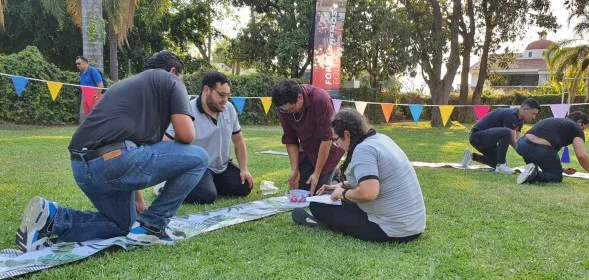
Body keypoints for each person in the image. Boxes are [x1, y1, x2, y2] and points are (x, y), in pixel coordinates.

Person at [15, 51, 210, 252]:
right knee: (199, 157)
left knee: (123, 226)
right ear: (173, 70)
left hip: (82, 167)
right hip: (113, 161)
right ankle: (152, 225)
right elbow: (186, 135)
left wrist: (138, 200)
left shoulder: (126, 87)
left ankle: (52, 217)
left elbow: (131, 144)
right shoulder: (170, 79)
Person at [291, 108, 426, 243]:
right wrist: (340, 185)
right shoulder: (381, 139)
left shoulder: (363, 150)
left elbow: (368, 193)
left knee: (318, 206)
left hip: (392, 229)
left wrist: (342, 194)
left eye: (336, 140)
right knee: (333, 202)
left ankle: (323, 223)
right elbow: (377, 179)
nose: (336, 145)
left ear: (347, 135)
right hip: (414, 225)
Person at [160, 71, 253, 204]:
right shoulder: (186, 110)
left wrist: (244, 169)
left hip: (222, 166)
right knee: (206, 196)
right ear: (206, 90)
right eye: (221, 95)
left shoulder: (229, 108)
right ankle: (166, 188)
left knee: (244, 187)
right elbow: (166, 142)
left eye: (227, 95)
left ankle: (208, 185)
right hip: (198, 168)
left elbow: (238, 142)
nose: (225, 100)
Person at [271, 79, 344, 195]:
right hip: (306, 149)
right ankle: (328, 174)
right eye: (285, 111)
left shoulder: (321, 99)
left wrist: (317, 173)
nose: (289, 113)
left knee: (318, 191)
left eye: (292, 109)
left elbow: (326, 139)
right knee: (302, 189)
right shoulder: (283, 108)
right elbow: (290, 138)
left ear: (300, 97)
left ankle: (335, 175)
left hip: (327, 149)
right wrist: (295, 169)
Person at [516, 111, 589, 184]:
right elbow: (581, 155)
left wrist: (562, 169)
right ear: (580, 122)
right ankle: (535, 175)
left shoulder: (556, 121)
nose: (582, 131)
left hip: (522, 145)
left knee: (541, 156)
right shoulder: (576, 128)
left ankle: (530, 167)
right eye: (583, 128)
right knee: (556, 176)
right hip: (540, 150)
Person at [461, 98, 540, 174]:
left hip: (488, 141)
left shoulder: (520, 121)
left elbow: (518, 141)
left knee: (496, 163)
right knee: (507, 132)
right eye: (533, 114)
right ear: (525, 109)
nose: (534, 117)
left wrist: (528, 151)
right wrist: (527, 155)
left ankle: (471, 156)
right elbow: (513, 142)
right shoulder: (511, 115)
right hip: (476, 137)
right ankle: (501, 165)